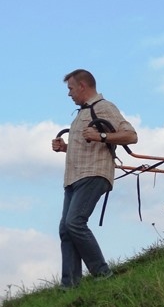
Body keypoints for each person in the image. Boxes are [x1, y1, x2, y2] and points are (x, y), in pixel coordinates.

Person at [51, 69, 138, 289]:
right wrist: (65, 148)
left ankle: (102, 273)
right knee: (66, 228)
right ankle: (69, 284)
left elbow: (131, 135)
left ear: (82, 86)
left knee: (74, 222)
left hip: (94, 173)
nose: (68, 94)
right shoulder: (81, 113)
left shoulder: (104, 107)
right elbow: (86, 145)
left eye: (70, 88)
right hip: (73, 177)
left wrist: (102, 135)